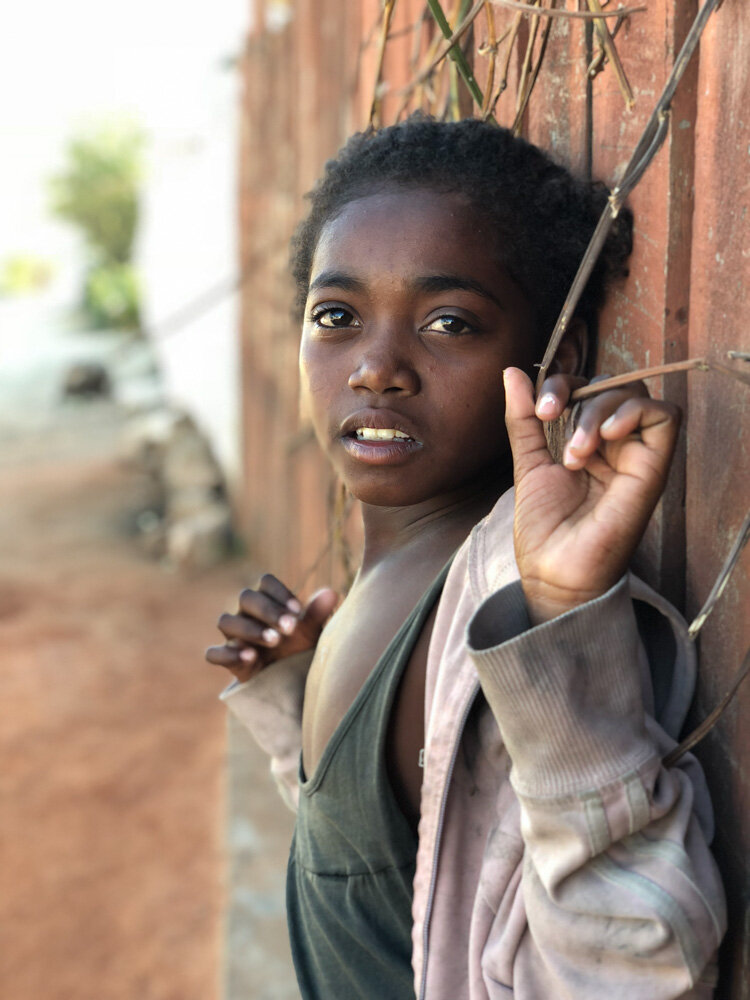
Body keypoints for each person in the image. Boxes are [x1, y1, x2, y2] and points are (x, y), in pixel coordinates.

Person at [206, 117, 726, 999]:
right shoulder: (393, 578)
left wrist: (562, 619)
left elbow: (634, 961)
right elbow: (406, 882)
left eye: (449, 323)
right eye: (336, 316)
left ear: (549, 364)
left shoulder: (508, 618)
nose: (376, 367)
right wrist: (301, 713)